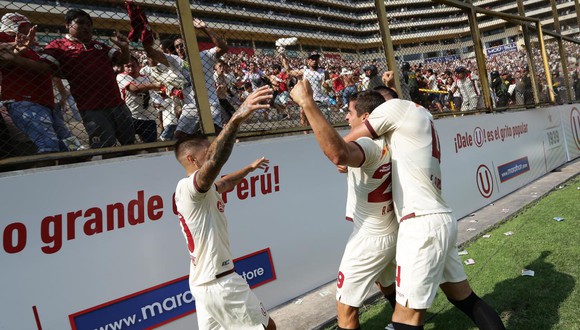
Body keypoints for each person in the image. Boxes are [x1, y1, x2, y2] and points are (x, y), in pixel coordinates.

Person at [343, 98, 505, 330]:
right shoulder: (420, 116)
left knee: (405, 320)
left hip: (420, 224)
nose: (348, 118)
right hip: (438, 216)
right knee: (465, 299)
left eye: (350, 113)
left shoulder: (395, 108)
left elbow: (343, 146)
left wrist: (341, 151)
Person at [290, 80, 398, 330]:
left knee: (346, 309)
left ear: (367, 116)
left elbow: (338, 153)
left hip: (370, 237)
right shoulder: (393, 139)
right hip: (390, 228)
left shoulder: (367, 145)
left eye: (350, 113)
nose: (347, 118)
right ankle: (405, 323)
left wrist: (307, 103)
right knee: (386, 281)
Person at [173, 85, 276, 330]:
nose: (211, 155)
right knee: (267, 328)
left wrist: (249, 169)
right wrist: (237, 117)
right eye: (206, 152)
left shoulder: (202, 191)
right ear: (192, 159)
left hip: (205, 284)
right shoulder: (189, 187)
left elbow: (225, 182)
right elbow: (216, 162)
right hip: (220, 282)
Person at [0, 12, 81, 153]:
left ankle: (79, 160)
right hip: (24, 100)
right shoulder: (4, 38)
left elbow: (48, 70)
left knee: (70, 143)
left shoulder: (33, 45)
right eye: (27, 25)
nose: (31, 29)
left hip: (45, 101)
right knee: (48, 144)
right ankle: (49, 171)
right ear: (17, 24)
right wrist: (17, 45)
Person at [141, 17, 228, 137]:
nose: (180, 48)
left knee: (213, 133)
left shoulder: (205, 56)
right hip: (190, 105)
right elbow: (152, 53)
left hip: (210, 102)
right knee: (180, 135)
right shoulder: (175, 60)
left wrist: (204, 28)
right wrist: (146, 39)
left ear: (190, 44)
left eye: (182, 45)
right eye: (177, 47)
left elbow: (223, 47)